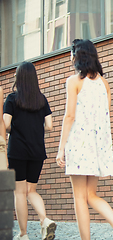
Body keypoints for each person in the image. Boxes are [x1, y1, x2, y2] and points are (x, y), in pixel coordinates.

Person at [56, 39, 113, 240]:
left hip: (79, 145)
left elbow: (69, 116)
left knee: (79, 197)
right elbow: (105, 115)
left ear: (76, 56)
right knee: (91, 195)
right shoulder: (104, 83)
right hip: (97, 146)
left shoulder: (73, 81)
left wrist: (61, 148)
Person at [3, 61, 56, 240]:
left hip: (17, 150)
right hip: (37, 151)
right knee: (31, 191)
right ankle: (45, 220)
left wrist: (16, 127)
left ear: (18, 78)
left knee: (19, 192)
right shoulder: (41, 99)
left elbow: (6, 125)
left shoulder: (11, 99)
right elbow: (49, 126)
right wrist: (34, 126)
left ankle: (23, 234)